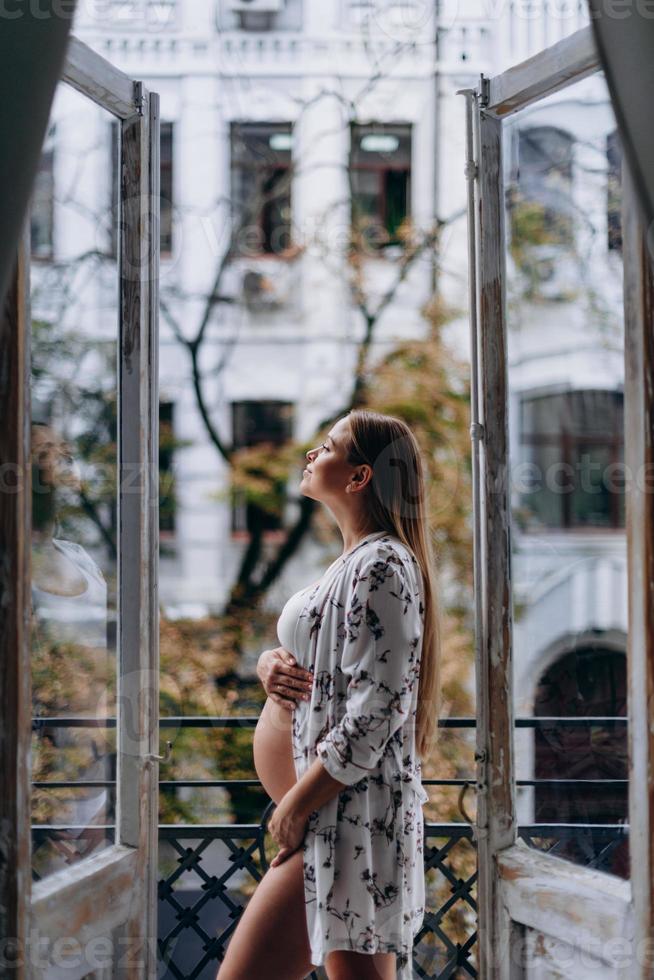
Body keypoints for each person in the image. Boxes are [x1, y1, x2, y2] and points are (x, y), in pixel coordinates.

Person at [217, 409, 441, 980]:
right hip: (332, 819)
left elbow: (379, 708)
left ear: (360, 476)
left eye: (327, 445)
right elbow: (326, 665)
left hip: (341, 821)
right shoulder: (354, 561)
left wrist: (295, 805)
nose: (310, 455)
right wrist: (272, 665)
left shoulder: (384, 563)